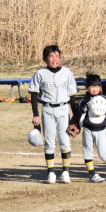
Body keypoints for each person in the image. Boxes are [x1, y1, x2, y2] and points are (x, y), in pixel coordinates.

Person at [28, 45, 78, 184]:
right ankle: (51, 173)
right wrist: (36, 114)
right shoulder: (40, 74)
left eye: (57, 56)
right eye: (51, 56)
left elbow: (72, 96)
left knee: (65, 141)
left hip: (63, 109)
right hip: (47, 110)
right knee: (49, 142)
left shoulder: (67, 73)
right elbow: (33, 95)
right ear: (45, 59)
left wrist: (75, 117)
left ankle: (66, 172)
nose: (54, 59)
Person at [73, 74, 106, 182]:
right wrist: (84, 108)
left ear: (101, 87)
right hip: (87, 129)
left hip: (100, 130)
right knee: (87, 152)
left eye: (97, 86)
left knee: (103, 153)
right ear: (86, 87)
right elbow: (77, 114)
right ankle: (92, 174)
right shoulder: (83, 101)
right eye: (92, 86)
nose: (95, 89)